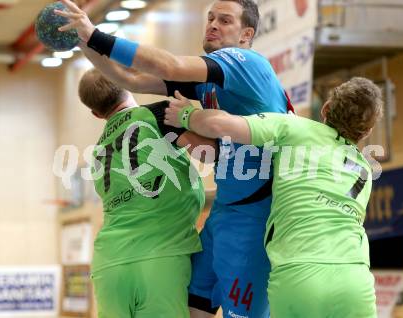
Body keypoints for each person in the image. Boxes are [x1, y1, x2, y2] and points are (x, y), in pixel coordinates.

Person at [56, 1, 292, 317]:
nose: (213, 25)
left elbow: (168, 67)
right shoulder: (208, 83)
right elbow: (133, 81)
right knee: (195, 309)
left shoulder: (245, 62)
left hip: (255, 216)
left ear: (247, 35)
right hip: (224, 212)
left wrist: (94, 35)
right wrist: (82, 42)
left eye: (225, 20)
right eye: (210, 18)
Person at [164, 77, 383, 318]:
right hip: (355, 279)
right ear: (367, 131)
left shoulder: (293, 128)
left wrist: (185, 115)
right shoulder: (365, 168)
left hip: (298, 273)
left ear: (325, 108)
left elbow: (220, 125)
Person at [79, 68, 209, 318]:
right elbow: (210, 152)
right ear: (128, 80)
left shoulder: (96, 154)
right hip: (159, 257)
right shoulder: (158, 114)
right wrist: (195, 117)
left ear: (96, 114)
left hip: (108, 265)